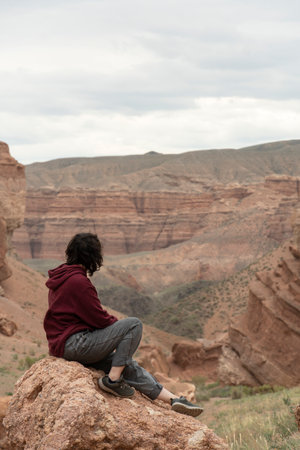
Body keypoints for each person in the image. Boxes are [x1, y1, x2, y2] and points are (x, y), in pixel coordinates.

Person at [43, 232, 203, 417]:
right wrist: (118, 330)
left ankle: (173, 399)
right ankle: (112, 381)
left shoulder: (62, 277)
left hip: (66, 346)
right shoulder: (79, 282)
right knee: (133, 325)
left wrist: (114, 336)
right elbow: (98, 318)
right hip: (76, 344)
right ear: (93, 256)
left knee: (126, 363)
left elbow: (83, 317)